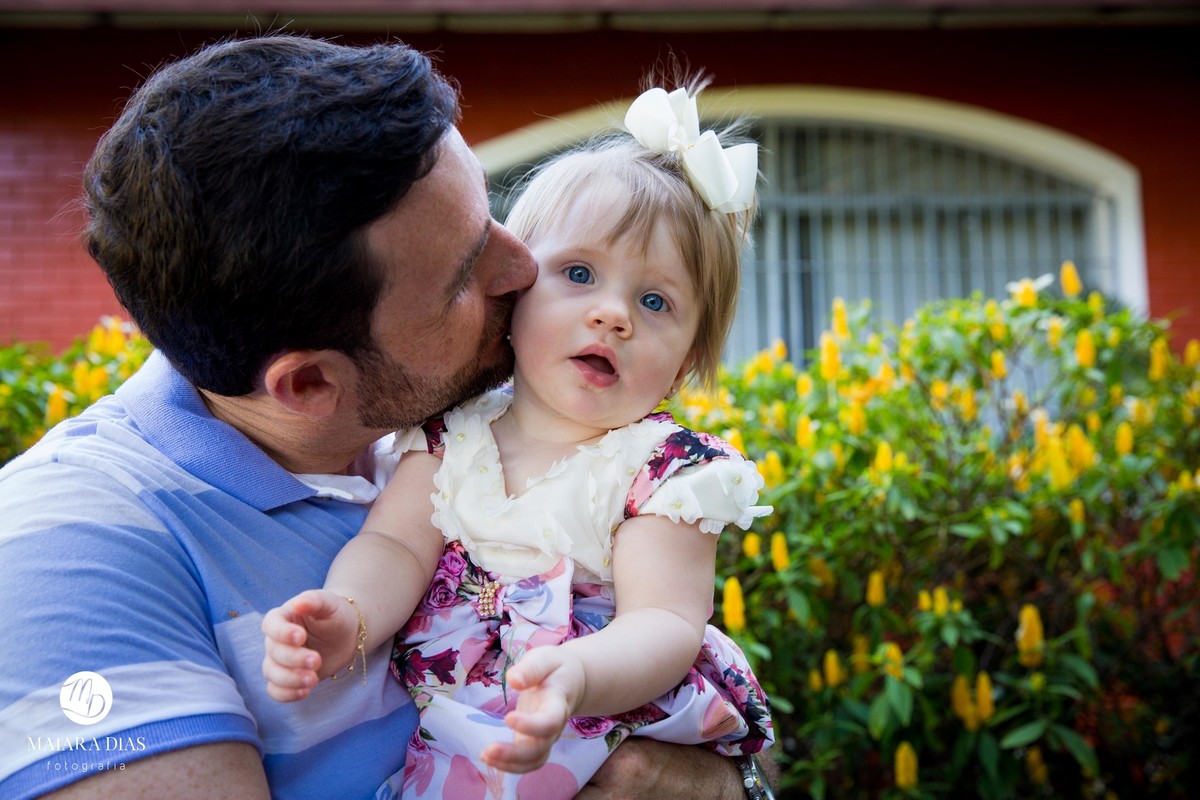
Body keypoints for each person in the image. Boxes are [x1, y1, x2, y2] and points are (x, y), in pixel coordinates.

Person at [0, 33, 770, 800]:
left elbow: (697, 684)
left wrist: (721, 783)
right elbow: (394, 554)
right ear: (308, 385)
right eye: (467, 271)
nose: (523, 269)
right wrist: (348, 621)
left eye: (491, 218)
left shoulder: (430, 423)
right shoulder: (70, 553)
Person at [261, 85, 774, 800]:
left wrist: (581, 675)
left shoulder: (663, 472)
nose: (612, 315)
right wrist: (348, 619)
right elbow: (396, 549)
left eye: (655, 302)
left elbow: (665, 620)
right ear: (515, 287)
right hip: (463, 730)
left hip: (603, 708)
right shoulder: (450, 436)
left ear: (685, 362)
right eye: (580, 273)